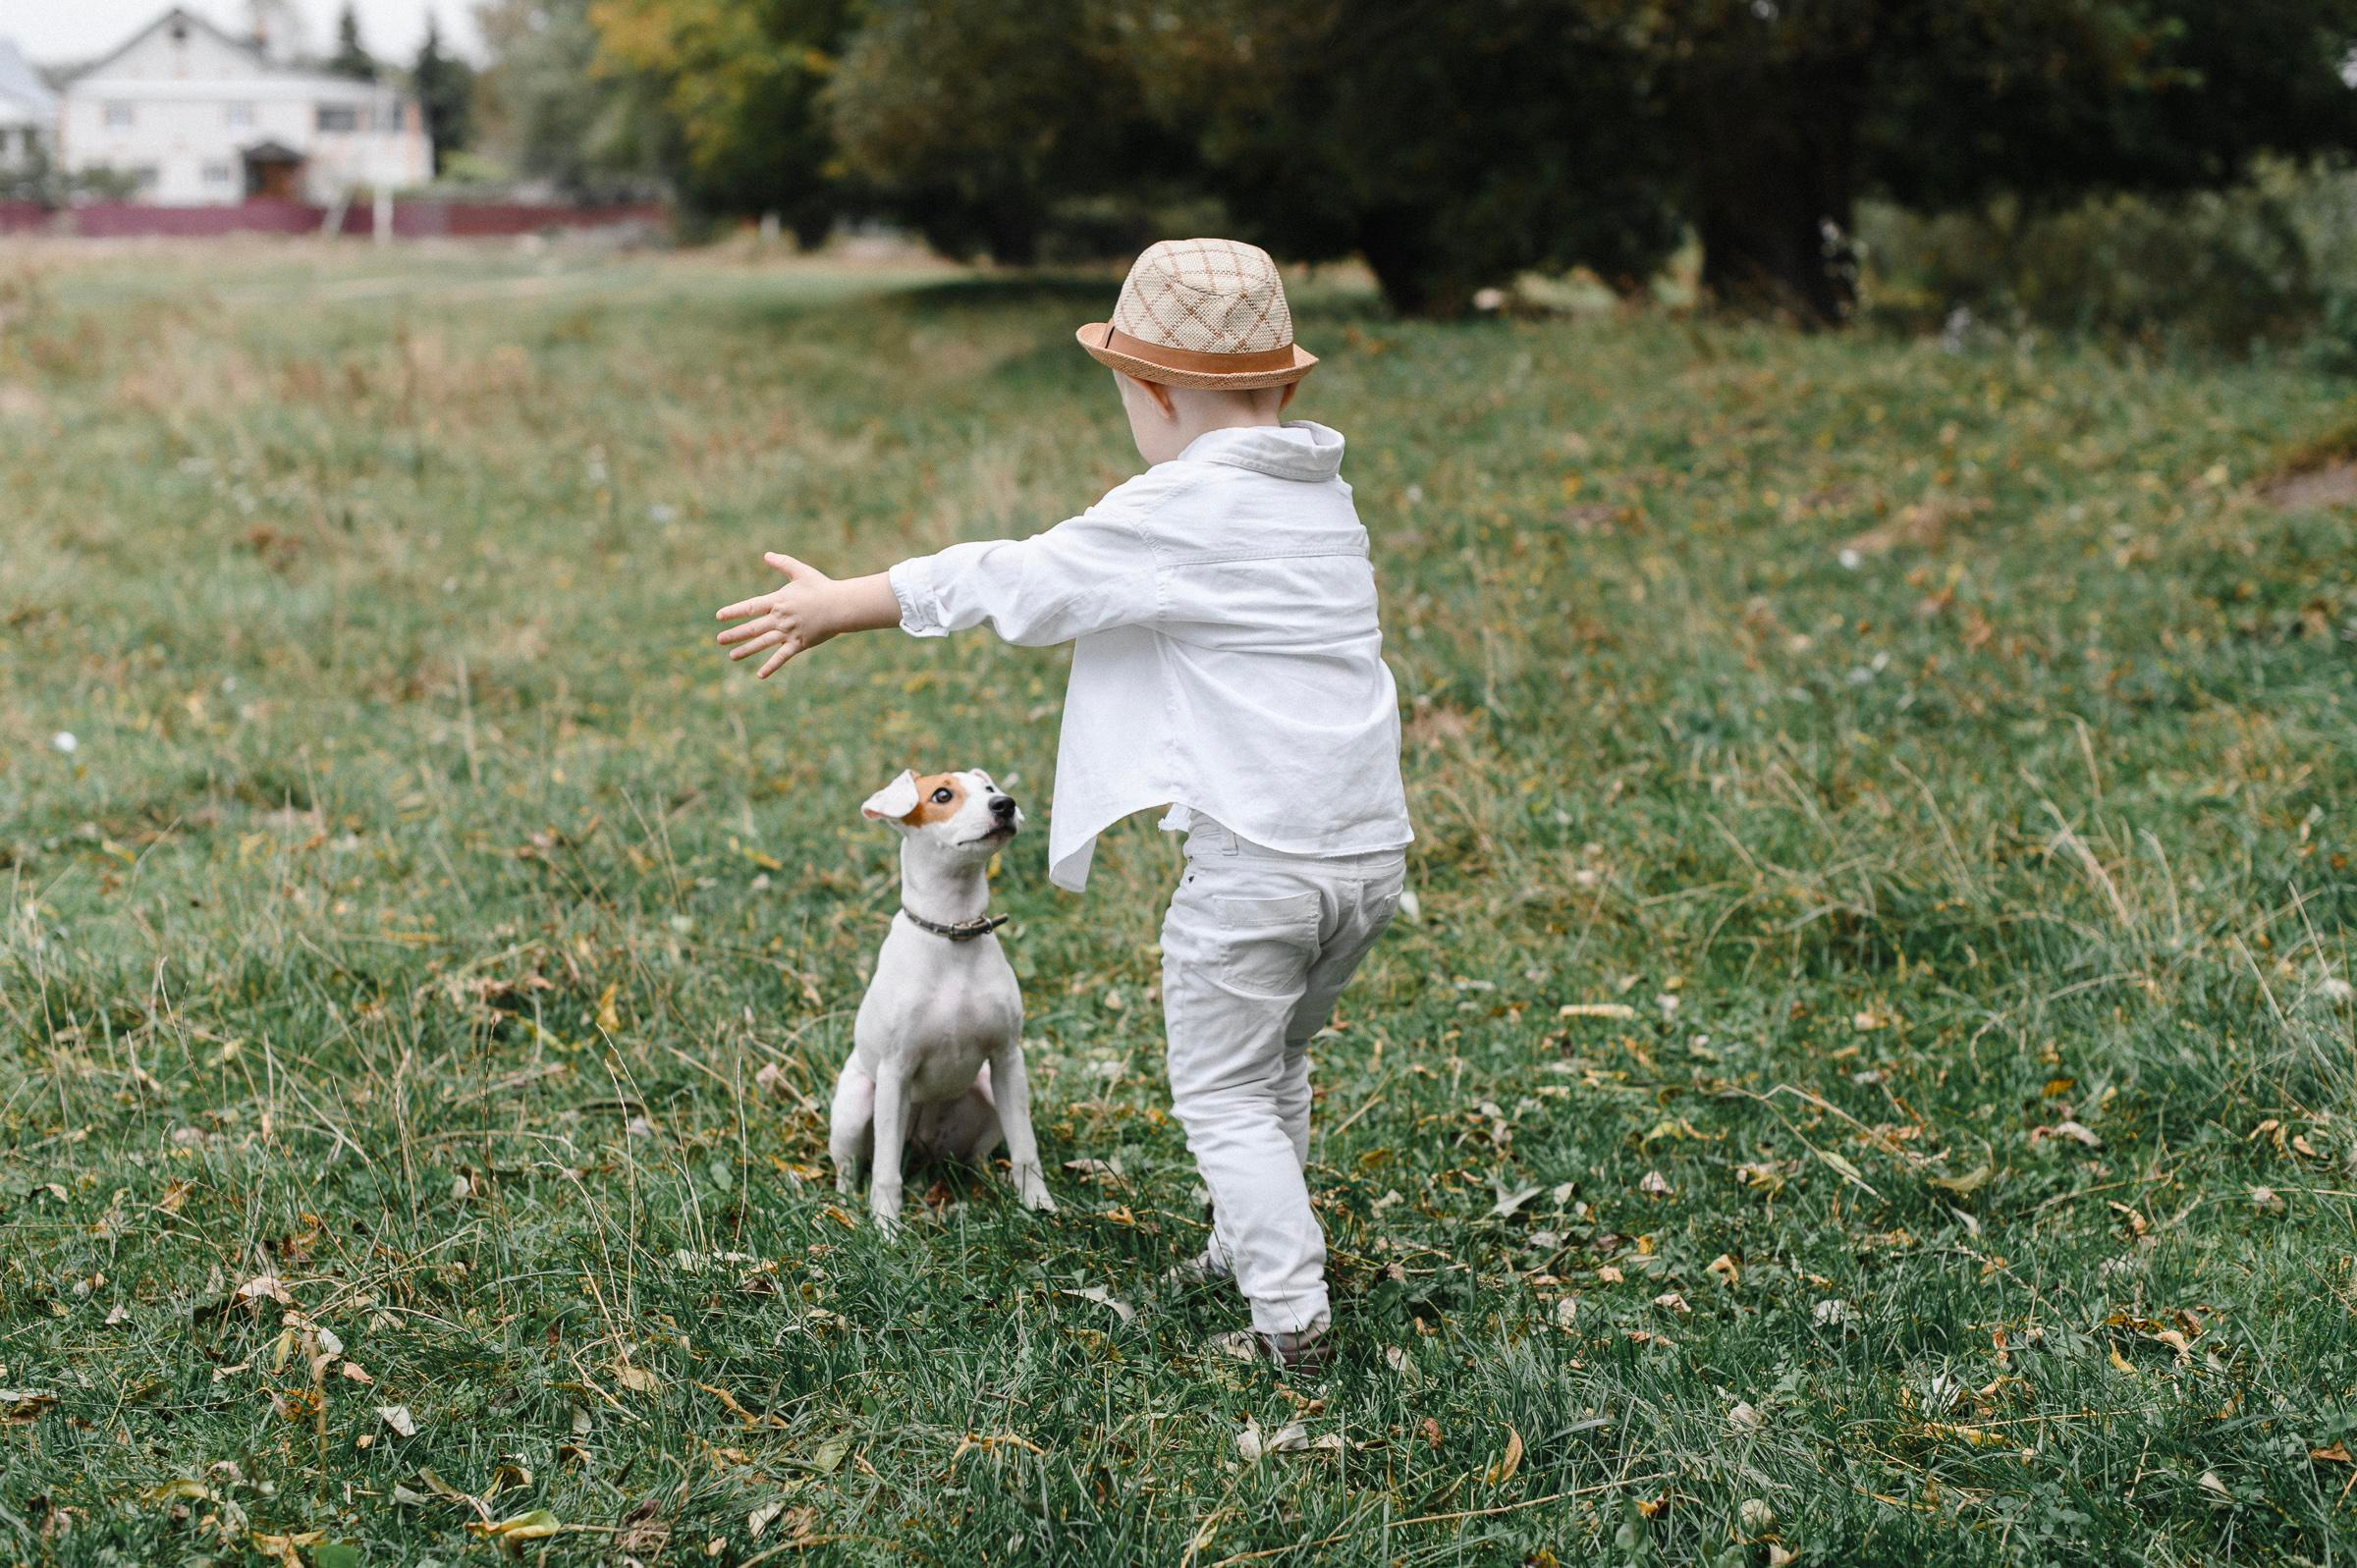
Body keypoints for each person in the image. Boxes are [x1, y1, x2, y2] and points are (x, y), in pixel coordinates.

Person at [714, 238, 1412, 1372]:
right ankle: (1247, 1243)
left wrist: (851, 599)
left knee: (1226, 1091)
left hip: (1257, 871)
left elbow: (1020, 577)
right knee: (1277, 1063)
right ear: (1284, 387)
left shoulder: (1180, 509)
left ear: (1148, 393)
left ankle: (1293, 1321)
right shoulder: (1323, 503)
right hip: (1367, 860)